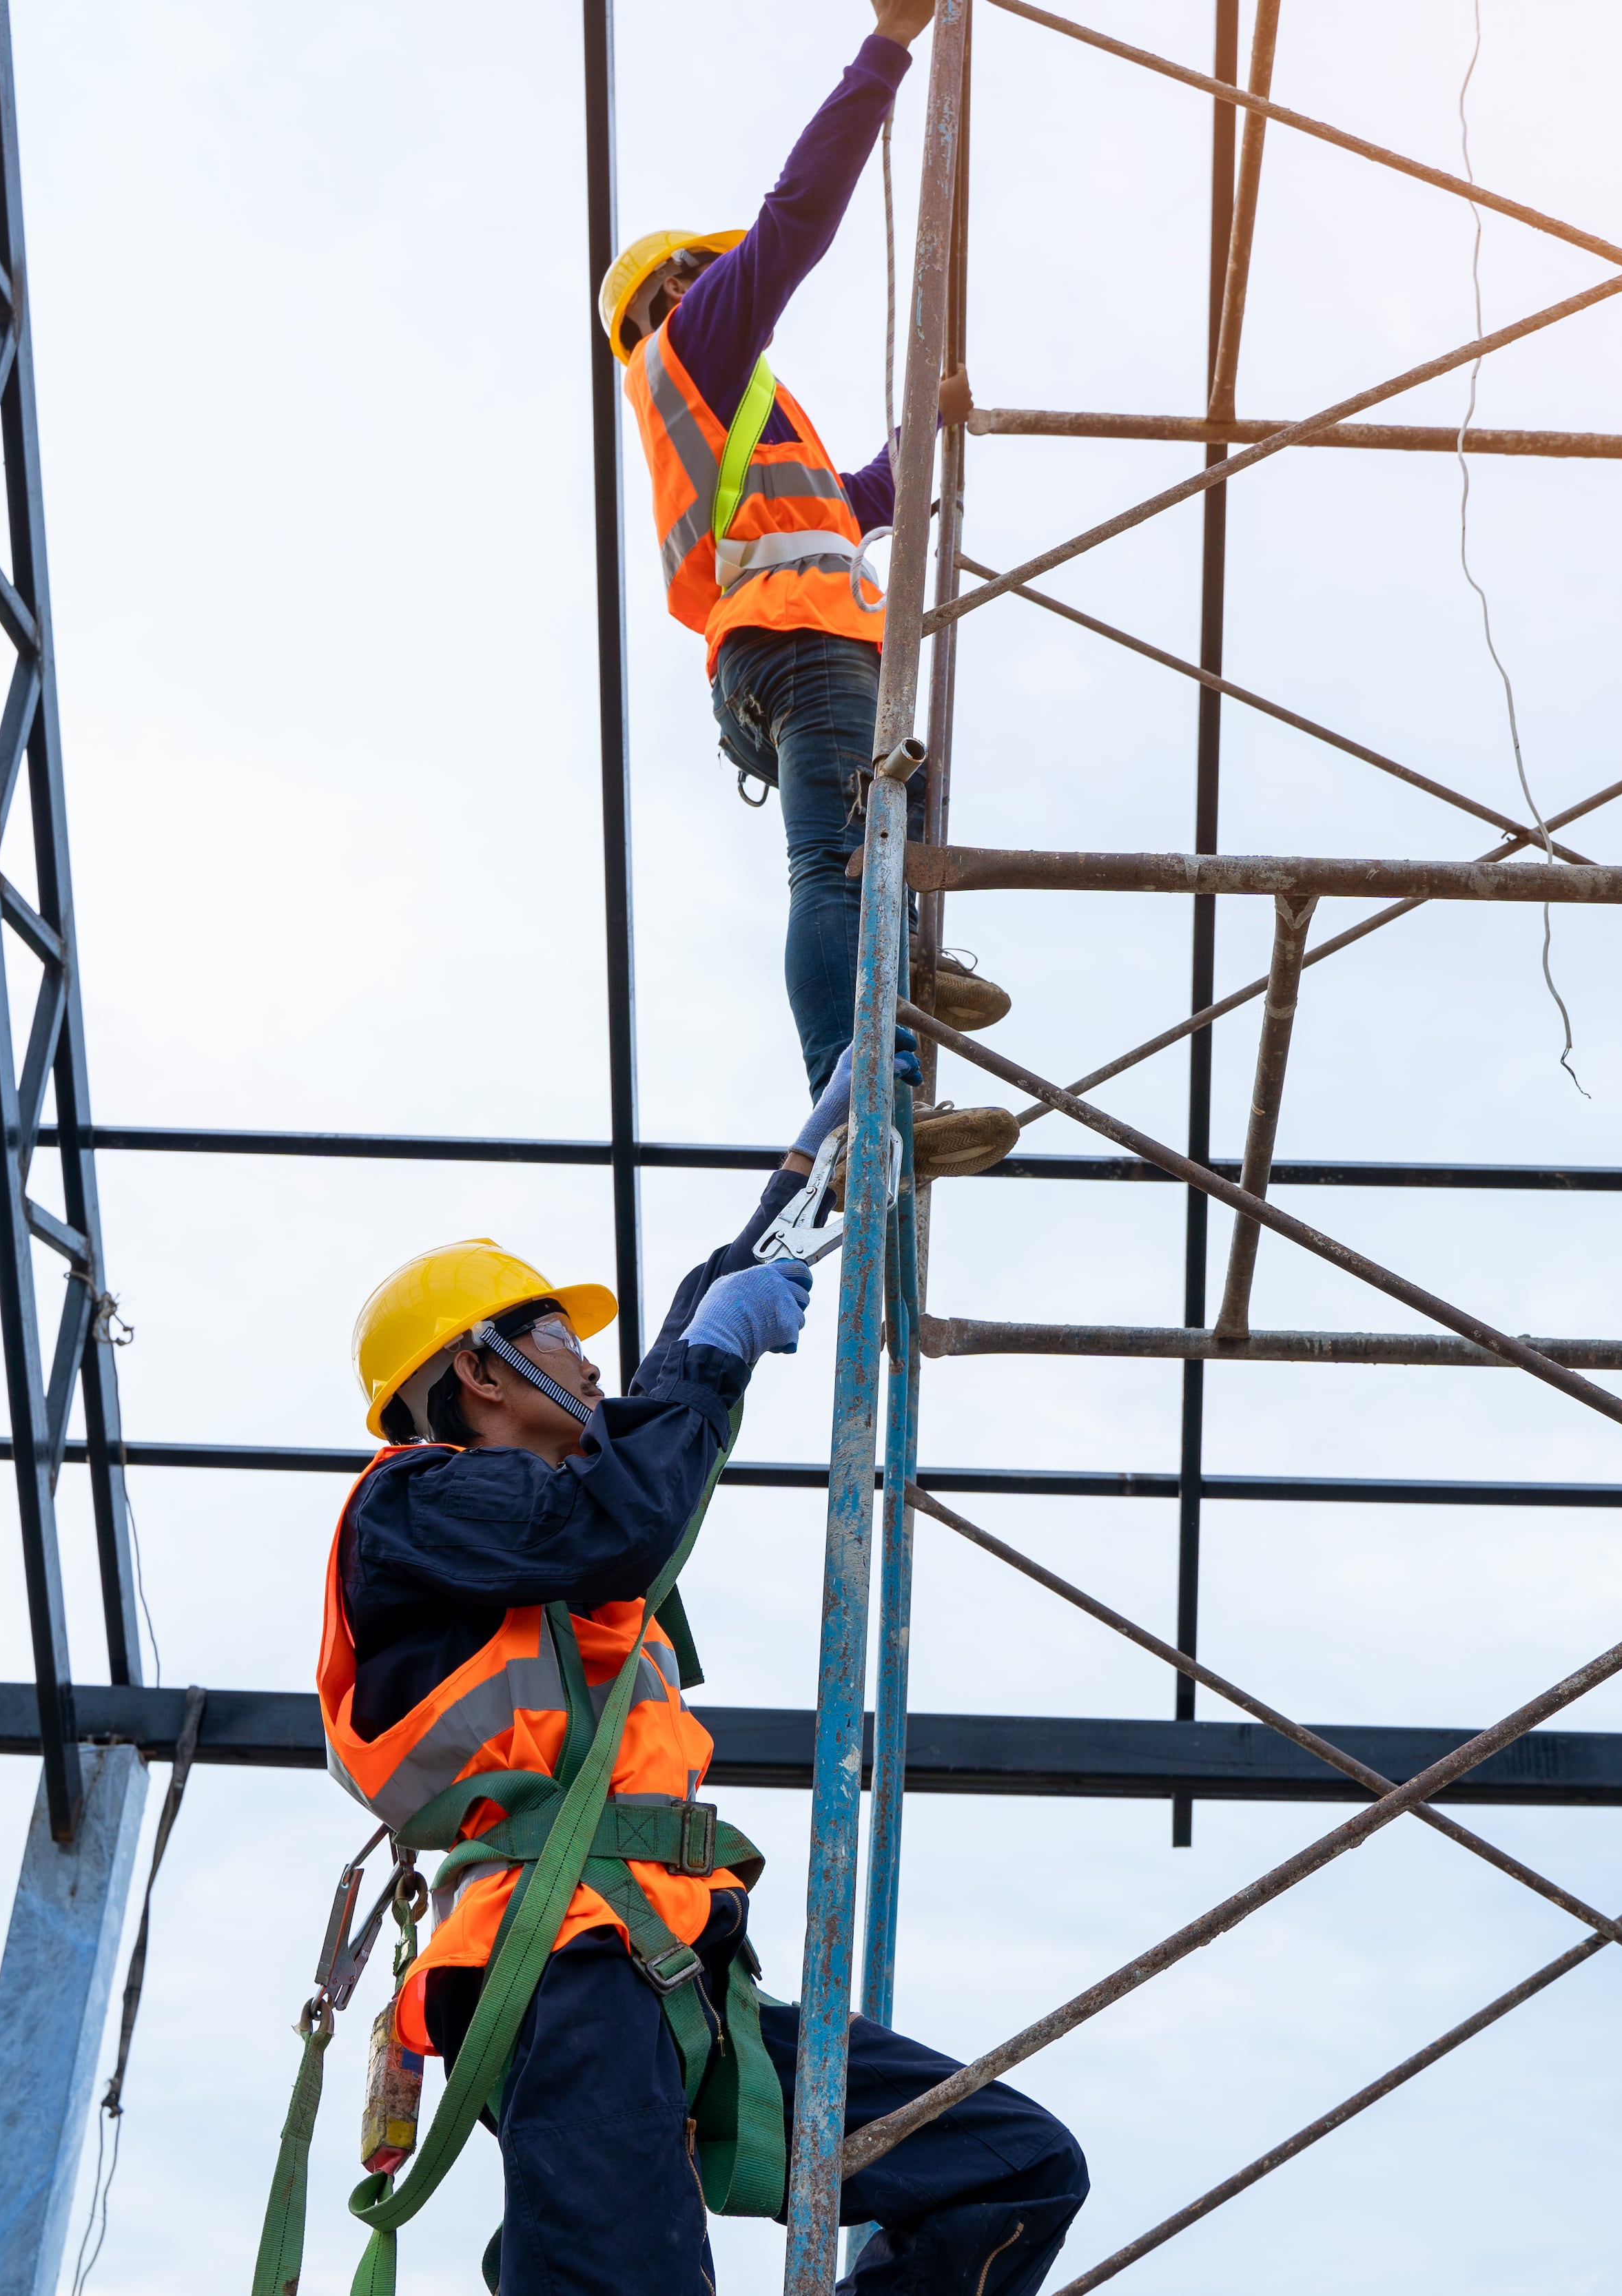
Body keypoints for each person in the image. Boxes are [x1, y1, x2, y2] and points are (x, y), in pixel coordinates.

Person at [319, 1136, 1088, 2296]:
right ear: (481, 1373)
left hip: (675, 1967)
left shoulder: (543, 1532)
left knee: (1011, 2166)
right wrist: (716, 1359)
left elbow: (661, 1407)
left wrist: (812, 1156)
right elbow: (616, 1510)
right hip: (561, 1968)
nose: (590, 1367)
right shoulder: (414, 1504)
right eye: (561, 1340)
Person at [596, 0, 1020, 1179]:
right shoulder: (691, 341)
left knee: (892, 817)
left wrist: (924, 437)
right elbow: (794, 224)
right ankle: (861, 1095)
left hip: (799, 637)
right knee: (834, 861)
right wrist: (886, 49)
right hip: (795, 637)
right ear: (675, 286)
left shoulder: (733, 415)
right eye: (706, 267)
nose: (726, 273)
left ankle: (902, 980)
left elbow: (859, 499)